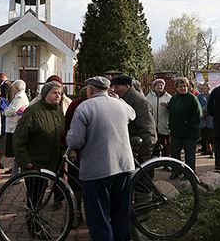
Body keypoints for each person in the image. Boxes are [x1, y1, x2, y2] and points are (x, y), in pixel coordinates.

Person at [66, 76, 136, 241]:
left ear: (90, 89)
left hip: (97, 169)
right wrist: (118, 99)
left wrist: (69, 137)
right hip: (124, 166)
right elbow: (132, 115)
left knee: (99, 217)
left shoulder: (85, 107)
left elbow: (76, 140)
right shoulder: (121, 105)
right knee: (120, 214)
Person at [13, 81, 66, 239]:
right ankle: (34, 227)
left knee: (42, 197)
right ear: (45, 94)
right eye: (55, 93)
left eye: (60, 93)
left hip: (53, 161)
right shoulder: (33, 112)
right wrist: (26, 162)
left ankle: (38, 223)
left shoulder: (58, 111)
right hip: (35, 162)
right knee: (34, 197)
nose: (58, 96)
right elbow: (19, 139)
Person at [111, 75, 157, 163]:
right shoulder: (123, 98)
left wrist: (146, 150)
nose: (114, 89)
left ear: (127, 86)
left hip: (139, 146)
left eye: (117, 87)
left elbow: (147, 126)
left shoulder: (139, 100)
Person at [64, 86, 88, 228]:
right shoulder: (75, 105)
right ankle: (77, 212)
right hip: (78, 150)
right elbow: (69, 127)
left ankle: (80, 212)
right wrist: (71, 148)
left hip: (90, 151)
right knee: (75, 182)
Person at [167, 77, 202, 172]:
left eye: (185, 86)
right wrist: (171, 127)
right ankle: (176, 172)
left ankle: (189, 173)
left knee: (189, 154)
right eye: (180, 86)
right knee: (175, 154)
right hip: (176, 132)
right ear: (176, 88)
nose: (183, 88)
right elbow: (171, 114)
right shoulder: (174, 99)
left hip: (189, 133)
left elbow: (198, 116)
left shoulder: (192, 99)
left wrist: (189, 125)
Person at [2, 79, 29, 177]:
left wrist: (5, 111)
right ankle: (15, 172)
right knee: (16, 151)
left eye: (13, 88)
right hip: (14, 126)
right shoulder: (20, 96)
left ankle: (16, 174)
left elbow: (12, 110)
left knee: (16, 151)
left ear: (17, 88)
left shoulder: (19, 97)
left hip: (14, 127)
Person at [145, 78, 171, 158]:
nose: (160, 87)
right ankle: (154, 162)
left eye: (161, 85)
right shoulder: (149, 96)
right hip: (153, 125)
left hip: (164, 125)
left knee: (165, 146)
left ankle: (166, 163)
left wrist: (168, 106)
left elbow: (173, 109)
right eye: (158, 85)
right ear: (154, 87)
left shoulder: (168, 97)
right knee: (154, 145)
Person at [197, 82, 213, 157]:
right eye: (204, 87)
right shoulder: (199, 96)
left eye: (207, 87)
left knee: (211, 135)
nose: (206, 89)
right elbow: (198, 105)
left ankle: (212, 151)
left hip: (211, 118)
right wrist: (202, 113)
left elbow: (213, 105)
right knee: (205, 135)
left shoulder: (212, 95)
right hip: (203, 119)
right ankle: (208, 149)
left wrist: (208, 112)